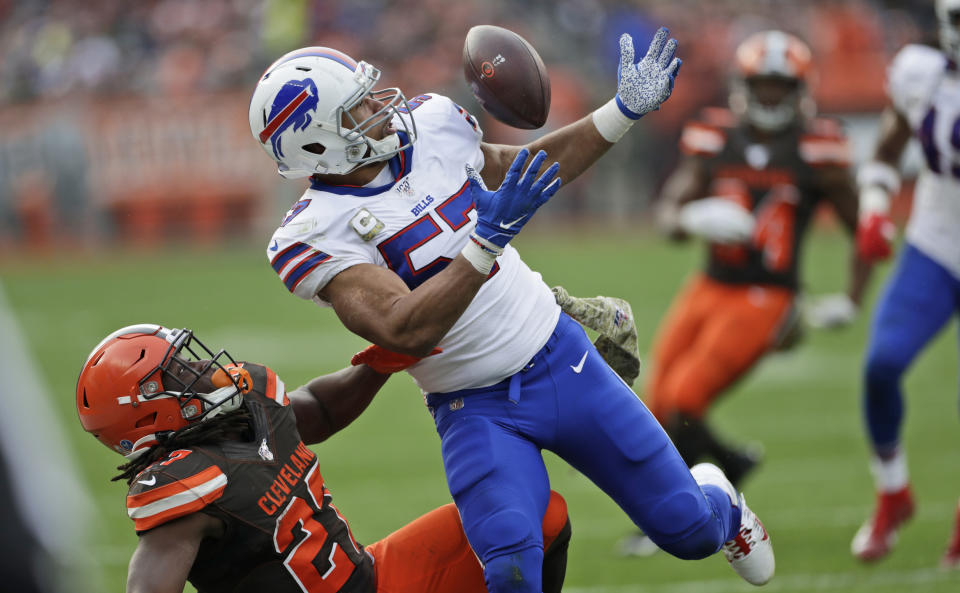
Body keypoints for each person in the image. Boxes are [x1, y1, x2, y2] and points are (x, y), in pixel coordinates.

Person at [247, 29, 775, 592]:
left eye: (369, 94)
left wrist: (620, 112)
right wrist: (487, 239)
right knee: (511, 570)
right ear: (319, 144)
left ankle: (719, 499)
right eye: (358, 109)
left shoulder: (432, 126)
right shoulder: (313, 233)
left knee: (690, 532)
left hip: (560, 359)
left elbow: (527, 168)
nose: (381, 105)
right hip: (472, 406)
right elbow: (404, 327)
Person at [75, 324, 572, 593]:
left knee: (538, 519)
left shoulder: (250, 404)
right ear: (148, 413)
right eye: (179, 371)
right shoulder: (183, 485)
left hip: (366, 577)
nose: (202, 368)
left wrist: (382, 359)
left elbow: (323, 409)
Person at [641, 29, 870, 488]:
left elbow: (864, 229)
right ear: (742, 85)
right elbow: (666, 214)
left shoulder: (818, 149)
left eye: (779, 85)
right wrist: (689, 219)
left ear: (799, 90)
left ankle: (676, 512)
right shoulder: (715, 135)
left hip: (767, 294)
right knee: (654, 400)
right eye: (762, 83)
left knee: (686, 396)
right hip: (710, 283)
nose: (769, 94)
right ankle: (731, 464)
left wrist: (853, 298)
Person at [849, 0, 960, 566]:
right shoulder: (923, 75)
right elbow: (889, 148)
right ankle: (893, 491)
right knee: (882, 364)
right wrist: (873, 208)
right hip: (937, 244)